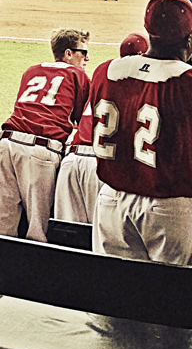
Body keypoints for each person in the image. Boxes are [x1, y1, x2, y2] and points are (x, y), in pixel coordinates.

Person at [85, 0, 192, 265]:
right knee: (173, 300)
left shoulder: (105, 72)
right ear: (190, 40)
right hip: (172, 209)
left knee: (115, 296)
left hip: (111, 203)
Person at [0, 28, 92, 242]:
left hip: (6, 146)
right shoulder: (78, 75)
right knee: (39, 233)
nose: (86, 58)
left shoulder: (31, 70)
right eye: (83, 53)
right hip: (39, 153)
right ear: (68, 54)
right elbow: (80, 120)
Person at [55, 32, 147, 226]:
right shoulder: (145, 85)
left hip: (72, 160)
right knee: (102, 240)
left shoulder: (102, 75)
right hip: (100, 165)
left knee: (65, 237)